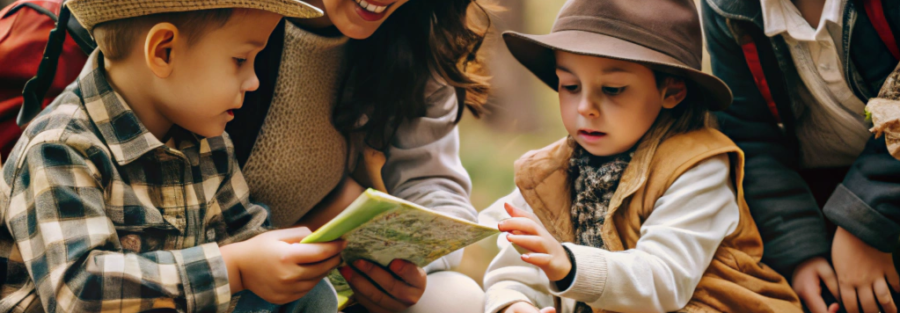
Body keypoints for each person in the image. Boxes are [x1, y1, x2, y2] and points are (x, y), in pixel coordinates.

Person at [0, 1, 347, 312]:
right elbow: (77, 294)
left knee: (312, 296)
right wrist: (234, 267)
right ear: (164, 51)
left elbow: (240, 231)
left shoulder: (205, 138)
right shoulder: (59, 148)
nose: (253, 80)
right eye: (240, 59)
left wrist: (287, 255)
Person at [480, 0, 802, 312]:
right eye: (570, 86)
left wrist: (568, 265)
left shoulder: (697, 167)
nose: (584, 108)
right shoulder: (547, 175)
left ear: (672, 90)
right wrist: (515, 304)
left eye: (612, 89)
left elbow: (663, 279)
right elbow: (515, 270)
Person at [221, 0, 493, 312]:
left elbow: (433, 186)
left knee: (455, 298)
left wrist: (404, 270)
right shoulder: (217, 17)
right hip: (207, 271)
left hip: (311, 285)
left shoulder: (413, 34)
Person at [702, 0, 900, 311]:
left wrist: (865, 220)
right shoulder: (725, 8)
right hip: (811, 189)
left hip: (883, 179)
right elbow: (751, 133)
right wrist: (801, 252)